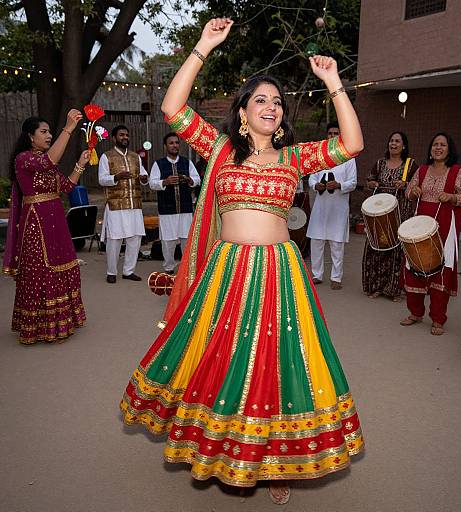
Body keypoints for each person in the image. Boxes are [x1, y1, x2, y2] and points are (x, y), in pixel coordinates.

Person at [120, 18, 365, 505]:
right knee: (222, 357)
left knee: (278, 363)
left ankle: (276, 460)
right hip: (227, 269)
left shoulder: (294, 158)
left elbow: (352, 144)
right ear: (242, 114)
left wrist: (334, 82)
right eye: (261, 100)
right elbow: (172, 108)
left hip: (279, 271)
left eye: (277, 102)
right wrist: (203, 47)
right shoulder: (220, 151)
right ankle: (219, 448)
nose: (271, 107)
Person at [2, 112, 91, 344]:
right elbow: (49, 161)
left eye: (50, 131)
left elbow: (68, 186)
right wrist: (68, 128)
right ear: (30, 136)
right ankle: (37, 327)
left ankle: (63, 322)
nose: (49, 135)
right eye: (44, 131)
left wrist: (80, 165)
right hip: (36, 225)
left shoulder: (47, 164)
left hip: (57, 222)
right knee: (41, 271)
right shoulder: (24, 159)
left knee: (64, 265)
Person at [400, 133, 461, 335]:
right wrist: (413, 192)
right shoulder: (421, 170)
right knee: (413, 266)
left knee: (442, 270)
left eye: (442, 145)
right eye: (435, 144)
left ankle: (438, 319)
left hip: (444, 227)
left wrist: (451, 196)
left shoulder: (457, 172)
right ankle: (415, 313)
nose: (438, 148)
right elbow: (409, 191)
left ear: (449, 149)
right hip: (419, 226)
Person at [362, 132, 416, 301]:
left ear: (404, 145)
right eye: (391, 140)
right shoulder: (379, 164)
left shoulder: (410, 164)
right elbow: (368, 181)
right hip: (379, 214)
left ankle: (393, 289)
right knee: (377, 247)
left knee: (396, 252)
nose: (393, 144)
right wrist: (372, 184)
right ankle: (376, 287)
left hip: (400, 213)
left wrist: (406, 184)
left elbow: (417, 185)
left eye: (397, 141)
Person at [307, 122, 357, 289]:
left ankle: (336, 278)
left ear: (340, 136)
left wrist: (339, 185)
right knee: (317, 241)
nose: (333, 136)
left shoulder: (348, 158)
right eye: (330, 133)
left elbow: (353, 182)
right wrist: (316, 185)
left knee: (336, 244)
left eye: (336, 133)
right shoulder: (320, 157)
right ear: (326, 136)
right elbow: (312, 179)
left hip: (338, 207)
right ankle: (317, 274)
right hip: (321, 207)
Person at [98, 125, 148, 283]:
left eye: (127, 135)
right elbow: (102, 179)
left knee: (135, 238)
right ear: (114, 138)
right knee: (115, 239)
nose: (125, 137)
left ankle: (128, 271)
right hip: (116, 205)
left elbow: (144, 174)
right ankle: (111, 272)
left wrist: (144, 179)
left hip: (134, 204)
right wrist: (117, 177)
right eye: (121, 135)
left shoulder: (136, 157)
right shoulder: (107, 156)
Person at [149, 132, 201, 274]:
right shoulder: (159, 164)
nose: (174, 145)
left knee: (186, 239)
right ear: (165, 146)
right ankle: (169, 268)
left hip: (185, 208)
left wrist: (189, 180)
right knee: (168, 240)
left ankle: (186, 268)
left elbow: (197, 179)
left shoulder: (187, 162)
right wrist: (165, 182)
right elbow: (152, 183)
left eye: (177, 143)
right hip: (167, 208)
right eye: (171, 143)